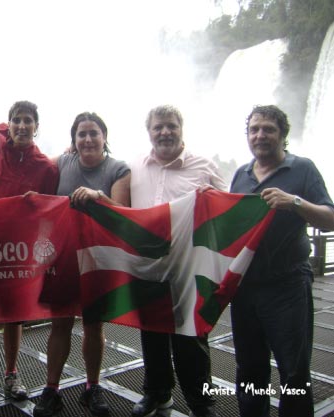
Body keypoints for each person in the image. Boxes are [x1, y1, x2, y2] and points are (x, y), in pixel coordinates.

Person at [230, 105, 334, 417]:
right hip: (245, 288)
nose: (260, 135)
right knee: (249, 366)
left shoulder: (303, 169)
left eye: (268, 129)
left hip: (287, 286)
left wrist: (295, 202)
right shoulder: (241, 174)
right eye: (254, 130)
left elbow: (330, 219)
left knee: (293, 370)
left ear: (283, 135)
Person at [129, 105, 227, 417]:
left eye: (171, 126)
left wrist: (212, 199)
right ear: (149, 132)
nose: (165, 132)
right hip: (149, 269)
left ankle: (200, 403)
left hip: (188, 270)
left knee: (191, 340)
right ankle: (157, 394)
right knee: (152, 337)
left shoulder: (204, 167)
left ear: (181, 128)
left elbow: (228, 214)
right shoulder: (134, 168)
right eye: (158, 127)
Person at [33, 112, 131, 417]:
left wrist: (98, 196)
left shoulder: (118, 168)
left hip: (99, 258)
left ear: (104, 136)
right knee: (60, 322)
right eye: (81, 134)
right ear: (73, 141)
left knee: (93, 324)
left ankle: (92, 386)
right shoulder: (63, 162)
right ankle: (52, 389)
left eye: (93, 133)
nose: (88, 139)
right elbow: (34, 164)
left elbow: (125, 212)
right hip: (64, 256)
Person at [0, 100, 59, 413]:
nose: (22, 126)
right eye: (17, 120)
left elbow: (49, 212)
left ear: (36, 126)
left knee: (14, 315)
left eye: (28, 120)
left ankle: (11, 375)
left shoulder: (46, 167)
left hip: (21, 254)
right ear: (9, 124)